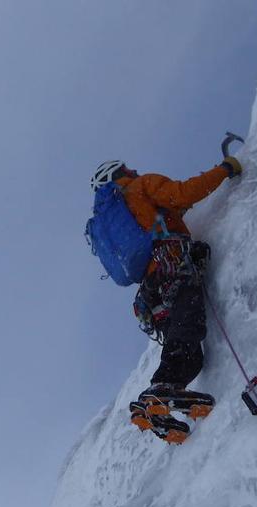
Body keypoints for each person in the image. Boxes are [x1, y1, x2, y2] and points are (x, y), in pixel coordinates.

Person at [90, 155, 241, 442]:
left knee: (188, 351)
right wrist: (225, 169)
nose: (132, 169)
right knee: (187, 330)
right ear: (117, 174)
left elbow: (168, 212)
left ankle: (157, 406)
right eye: (125, 169)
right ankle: (161, 390)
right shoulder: (140, 186)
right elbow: (182, 193)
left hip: (151, 290)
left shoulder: (115, 217)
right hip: (171, 265)